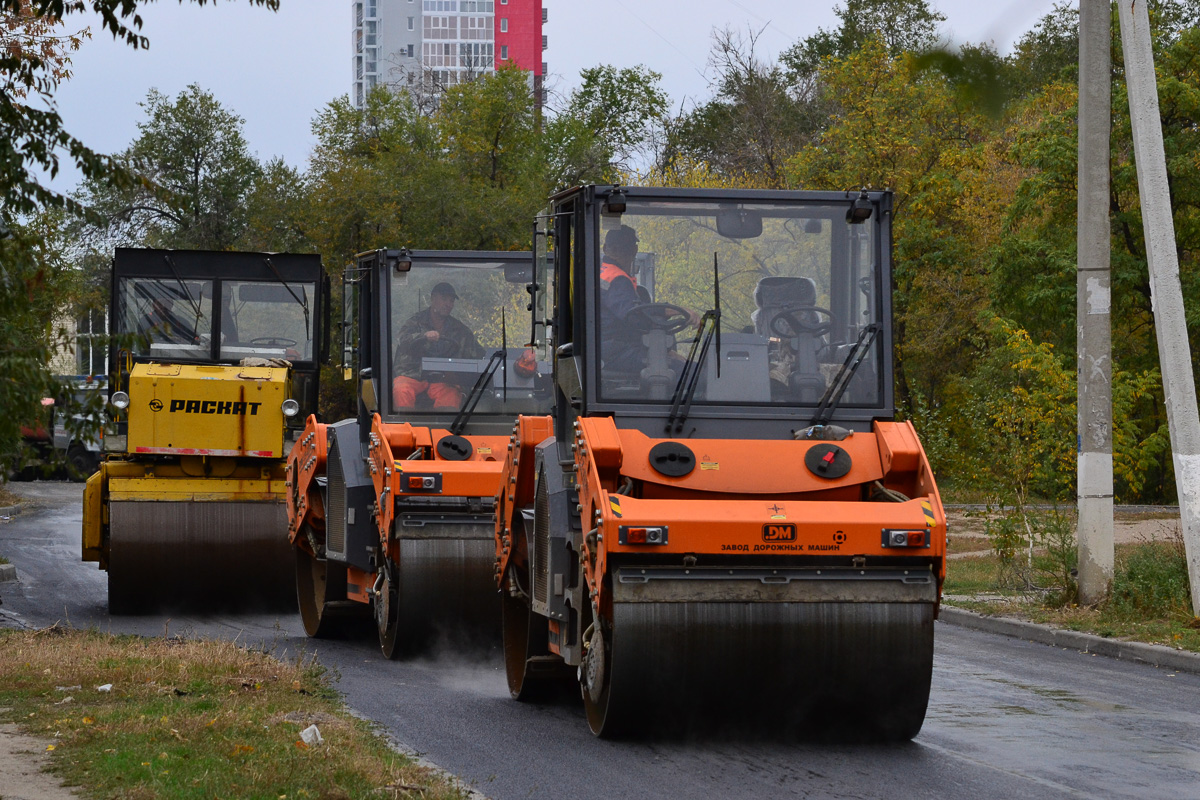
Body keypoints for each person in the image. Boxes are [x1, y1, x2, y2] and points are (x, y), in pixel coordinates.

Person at [598, 225, 699, 373]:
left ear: (605, 248)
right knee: (691, 375)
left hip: (610, 349)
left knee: (678, 365)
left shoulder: (601, 272)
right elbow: (634, 316)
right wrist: (672, 310)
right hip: (617, 353)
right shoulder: (617, 279)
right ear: (634, 251)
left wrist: (663, 352)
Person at [392, 282, 484, 408]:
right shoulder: (416, 322)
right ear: (432, 298)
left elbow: (479, 355)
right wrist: (423, 336)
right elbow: (403, 339)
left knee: (451, 394)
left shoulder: (460, 330)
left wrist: (459, 374)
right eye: (444, 299)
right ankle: (402, 425)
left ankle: (446, 427)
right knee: (401, 390)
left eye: (451, 301)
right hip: (413, 374)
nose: (448, 304)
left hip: (443, 379)